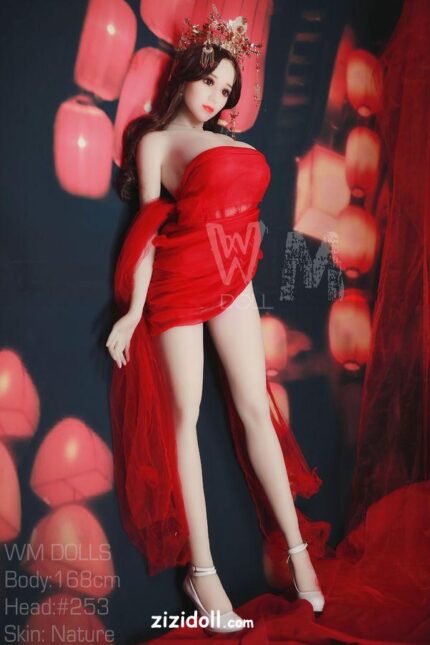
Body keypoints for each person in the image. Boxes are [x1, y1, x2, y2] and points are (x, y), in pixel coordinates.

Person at [106, 5, 325, 634]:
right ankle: (203, 575)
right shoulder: (155, 143)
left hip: (233, 279)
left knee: (256, 406)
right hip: (179, 280)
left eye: (226, 90)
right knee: (186, 417)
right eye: (209, 81)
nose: (216, 96)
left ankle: (301, 557)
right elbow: (149, 230)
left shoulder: (228, 141)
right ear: (186, 76)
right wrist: (132, 312)